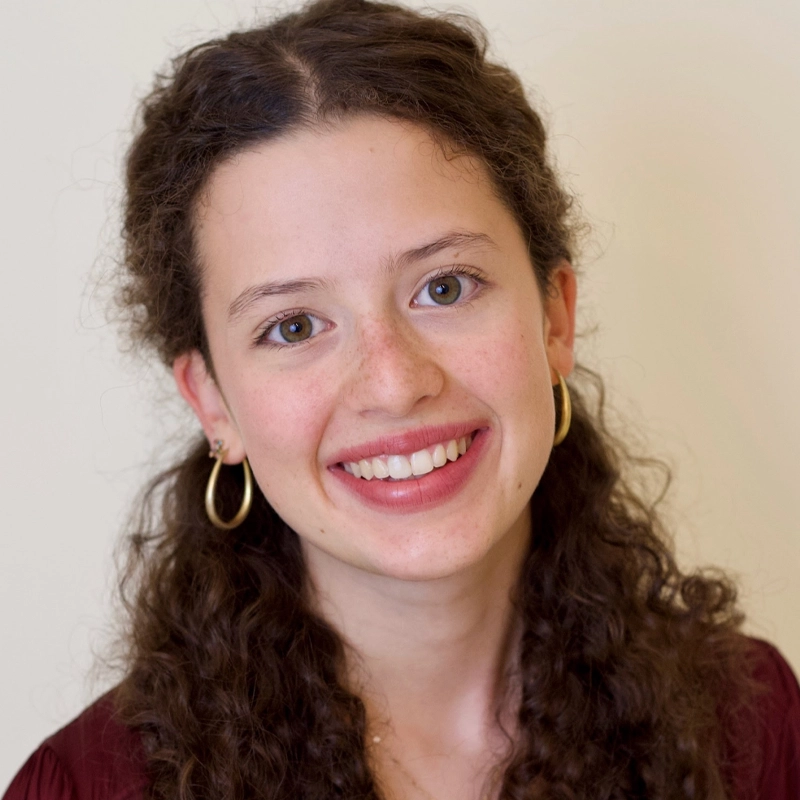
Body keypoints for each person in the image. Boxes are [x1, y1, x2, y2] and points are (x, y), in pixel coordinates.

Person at [5, 0, 800, 798]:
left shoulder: (753, 729)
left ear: (555, 317)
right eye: (292, 327)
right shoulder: (88, 786)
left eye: (444, 287)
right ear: (211, 402)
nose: (393, 383)